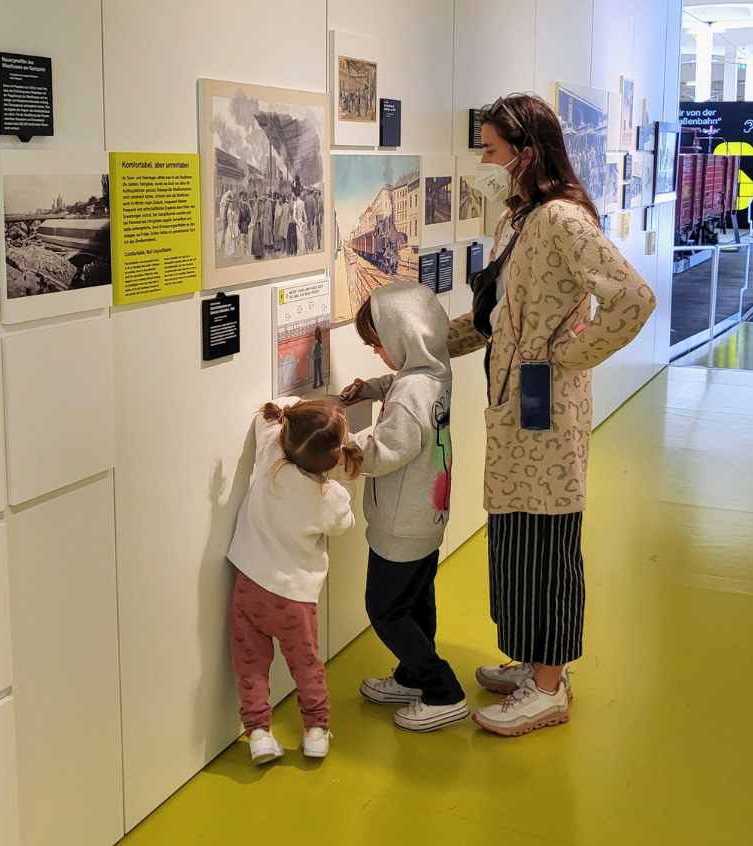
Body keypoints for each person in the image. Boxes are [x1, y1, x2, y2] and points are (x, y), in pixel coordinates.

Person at [449, 94, 656, 736]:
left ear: (526, 150)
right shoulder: (520, 219)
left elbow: (633, 298)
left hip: (546, 407)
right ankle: (534, 662)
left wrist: (567, 353)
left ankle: (549, 685)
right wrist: (423, 340)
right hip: (512, 405)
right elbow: (497, 317)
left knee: (548, 538)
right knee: (514, 533)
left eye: (490, 147)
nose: (483, 158)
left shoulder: (563, 218)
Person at [341, 283, 466, 733]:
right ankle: (413, 675)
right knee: (415, 601)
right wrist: (372, 389)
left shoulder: (412, 390)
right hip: (427, 517)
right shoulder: (432, 372)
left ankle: (441, 689)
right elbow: (399, 386)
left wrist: (340, 449)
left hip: (400, 522)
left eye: (378, 343)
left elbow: (385, 450)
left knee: (386, 610)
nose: (378, 353)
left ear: (403, 336)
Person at [227, 398, 361, 764]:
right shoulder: (329, 496)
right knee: (305, 664)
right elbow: (344, 525)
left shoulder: (271, 454)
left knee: (250, 663)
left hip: (249, 586)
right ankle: (316, 731)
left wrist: (291, 409)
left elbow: (266, 416)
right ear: (333, 457)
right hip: (293, 600)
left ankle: (258, 733)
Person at [293, 191, 307, 255]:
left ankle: (299, 253)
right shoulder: (302, 203)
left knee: (299, 239)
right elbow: (305, 216)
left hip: (298, 222)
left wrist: (299, 225)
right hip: (302, 222)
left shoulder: (295, 203)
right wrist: (304, 224)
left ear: (295, 196)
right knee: (302, 238)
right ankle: (303, 253)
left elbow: (294, 217)